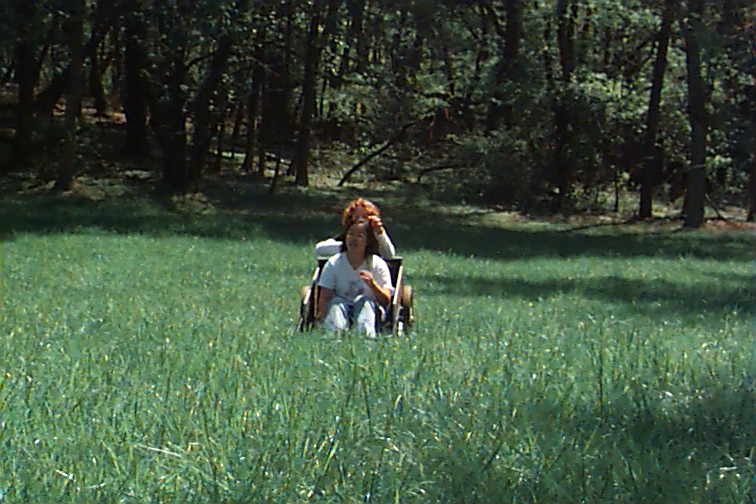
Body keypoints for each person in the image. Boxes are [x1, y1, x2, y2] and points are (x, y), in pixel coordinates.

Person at [317, 219, 393, 339]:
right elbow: (325, 298)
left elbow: (386, 300)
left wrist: (372, 284)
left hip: (370, 311)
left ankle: (365, 338)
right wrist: (321, 319)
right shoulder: (334, 263)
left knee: (364, 302)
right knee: (336, 303)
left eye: (360, 235)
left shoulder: (377, 264)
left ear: (368, 241)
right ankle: (334, 337)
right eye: (351, 234)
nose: (354, 239)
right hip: (342, 307)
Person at [315, 197, 396, 258]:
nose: (360, 220)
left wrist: (380, 234)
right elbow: (320, 249)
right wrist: (350, 246)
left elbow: (389, 255)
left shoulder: (377, 236)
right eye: (357, 217)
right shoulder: (346, 237)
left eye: (365, 217)